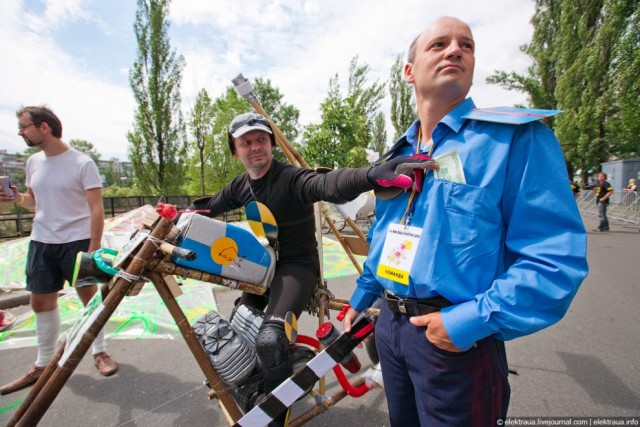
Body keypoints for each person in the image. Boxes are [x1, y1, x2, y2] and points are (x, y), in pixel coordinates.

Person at [342, 17, 588, 426]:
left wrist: (470, 322)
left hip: (455, 342)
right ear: (409, 70)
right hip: (391, 330)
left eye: (466, 45)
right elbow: (386, 236)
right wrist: (363, 295)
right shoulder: (396, 156)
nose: (455, 50)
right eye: (438, 44)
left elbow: (554, 260)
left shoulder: (514, 140)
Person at [185, 112, 430, 426]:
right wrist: (175, 215)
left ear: (271, 144)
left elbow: (326, 183)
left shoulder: (289, 178)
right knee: (236, 332)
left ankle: (275, 420)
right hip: (263, 269)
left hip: (297, 269)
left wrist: (372, 175)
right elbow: (208, 206)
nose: (255, 147)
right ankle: (255, 387)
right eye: (246, 142)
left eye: (261, 139)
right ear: (236, 151)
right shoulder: (240, 185)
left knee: (270, 341)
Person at [0, 106, 118, 396]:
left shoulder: (82, 163)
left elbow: (96, 209)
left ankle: (100, 352)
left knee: (90, 302)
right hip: (42, 242)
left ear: (44, 127)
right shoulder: (33, 162)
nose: (20, 131)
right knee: (40, 303)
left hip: (77, 242)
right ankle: (42, 364)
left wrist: (93, 249)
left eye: (24, 126)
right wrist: (17, 198)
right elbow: (35, 201)